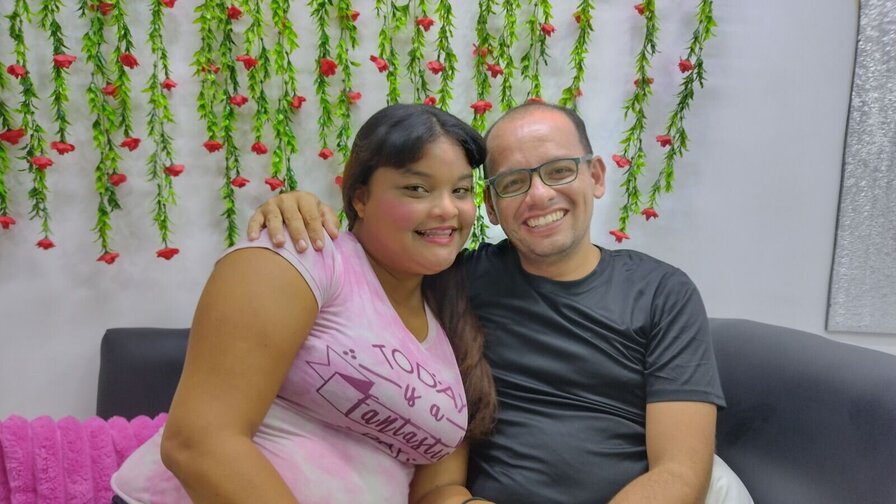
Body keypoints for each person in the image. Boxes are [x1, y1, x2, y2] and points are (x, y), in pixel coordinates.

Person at [248, 102, 754, 503]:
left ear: (596, 176)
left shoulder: (662, 292)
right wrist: (297, 207)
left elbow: (681, 470)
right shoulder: (452, 279)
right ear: (491, 205)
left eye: (559, 171)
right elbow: (367, 265)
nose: (538, 196)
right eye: (513, 182)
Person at [110, 104, 498, 504]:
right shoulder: (301, 257)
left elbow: (433, 489)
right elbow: (198, 443)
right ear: (360, 198)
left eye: (460, 190)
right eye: (417, 188)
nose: (447, 209)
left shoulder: (454, 324)